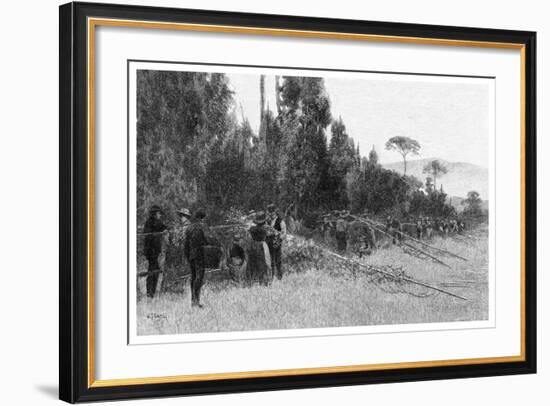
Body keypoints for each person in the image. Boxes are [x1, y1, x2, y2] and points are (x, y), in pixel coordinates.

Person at [183, 209, 209, 308]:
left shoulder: (189, 228)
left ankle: (193, 301)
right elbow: (205, 240)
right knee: (199, 277)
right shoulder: (201, 227)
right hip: (199, 254)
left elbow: (186, 244)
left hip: (191, 255)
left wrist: (187, 256)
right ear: (202, 218)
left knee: (193, 277)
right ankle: (196, 301)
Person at [143, 205, 168, 298]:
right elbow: (148, 235)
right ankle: (150, 293)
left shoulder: (158, 222)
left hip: (155, 251)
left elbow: (164, 227)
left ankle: (151, 292)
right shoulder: (149, 223)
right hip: (150, 251)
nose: (160, 215)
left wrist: (165, 230)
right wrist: (158, 233)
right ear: (154, 214)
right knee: (153, 271)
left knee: (154, 270)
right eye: (158, 213)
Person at [246, 211, 272, 285]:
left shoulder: (252, 229)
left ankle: (253, 281)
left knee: (253, 263)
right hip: (262, 245)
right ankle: (264, 281)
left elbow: (248, 230)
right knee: (265, 263)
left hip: (253, 245)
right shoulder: (265, 229)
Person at [267, 204, 287, 280]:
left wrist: (278, 237)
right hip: (269, 244)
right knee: (270, 261)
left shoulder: (280, 221)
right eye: (270, 212)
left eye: (272, 212)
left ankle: (279, 277)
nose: (271, 214)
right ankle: (271, 277)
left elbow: (284, 233)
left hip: (277, 244)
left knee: (278, 261)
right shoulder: (268, 221)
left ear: (275, 212)